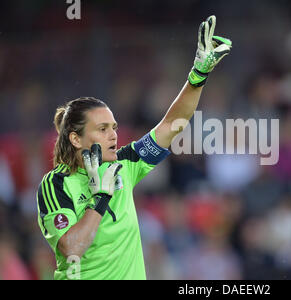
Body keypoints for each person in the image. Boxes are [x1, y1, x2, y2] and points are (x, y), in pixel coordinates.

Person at [36, 15, 232, 280]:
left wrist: (198, 76)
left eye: (114, 127)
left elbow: (172, 125)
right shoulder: (55, 185)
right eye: (102, 129)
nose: (113, 135)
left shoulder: (123, 165)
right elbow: (72, 249)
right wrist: (101, 198)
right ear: (75, 139)